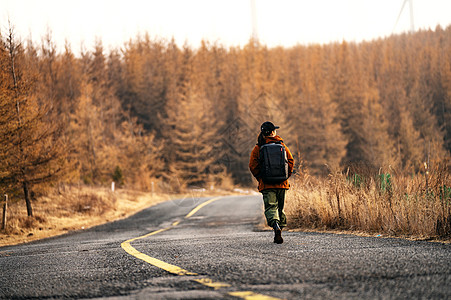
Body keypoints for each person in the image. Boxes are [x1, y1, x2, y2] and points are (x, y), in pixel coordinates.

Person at [249, 121, 294, 244]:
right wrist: (285, 176)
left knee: (271, 207)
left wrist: (261, 178)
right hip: (282, 183)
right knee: (280, 207)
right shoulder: (282, 145)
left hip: (267, 184)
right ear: (273, 132)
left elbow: (252, 166)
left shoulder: (258, 147)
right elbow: (290, 161)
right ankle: (280, 228)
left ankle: (276, 227)